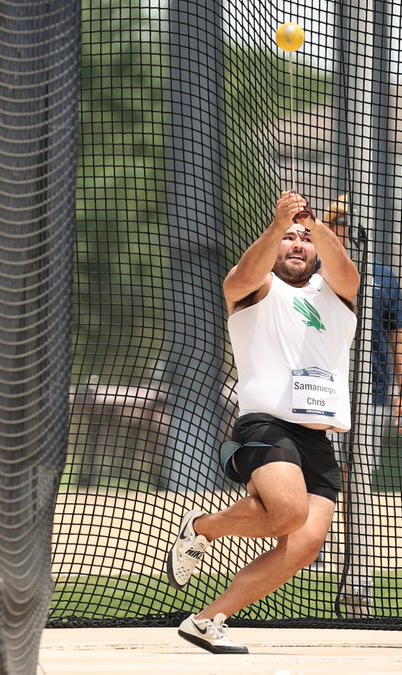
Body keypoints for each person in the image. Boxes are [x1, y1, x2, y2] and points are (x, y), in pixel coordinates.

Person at [166, 190, 359, 654]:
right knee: (287, 514)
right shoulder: (255, 290)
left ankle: (207, 619)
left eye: (303, 240)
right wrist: (278, 227)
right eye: (287, 239)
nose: (296, 244)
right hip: (267, 425)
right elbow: (240, 275)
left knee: (305, 547)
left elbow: (347, 271)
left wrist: (316, 229)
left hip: (318, 439)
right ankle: (204, 529)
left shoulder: (337, 294)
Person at [309, 195, 402, 605]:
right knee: (311, 476)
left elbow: (400, 333)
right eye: (334, 225)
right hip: (314, 394)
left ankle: (357, 571)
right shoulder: (307, 274)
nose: (341, 232)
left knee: (357, 482)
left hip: (367, 396)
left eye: (346, 226)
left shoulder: (381, 278)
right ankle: (309, 551)